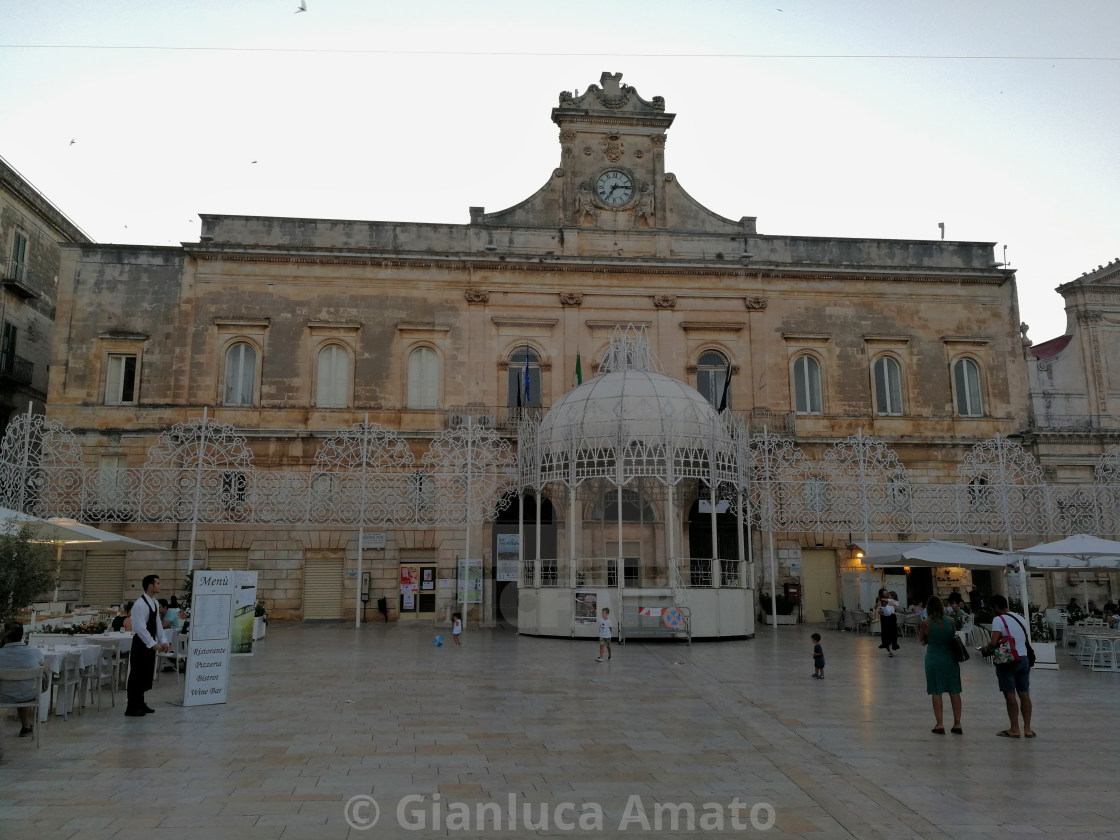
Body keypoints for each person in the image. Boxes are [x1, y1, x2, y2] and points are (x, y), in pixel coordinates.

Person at [982, 593, 1035, 738]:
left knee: (1010, 694)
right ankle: (1028, 729)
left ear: (996, 607)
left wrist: (986, 648)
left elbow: (994, 642)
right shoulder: (1020, 618)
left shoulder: (998, 619)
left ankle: (1014, 728)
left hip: (1008, 660)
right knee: (1024, 693)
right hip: (1023, 658)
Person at [125, 574, 170, 717]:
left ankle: (140, 702)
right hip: (141, 644)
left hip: (150, 644)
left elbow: (157, 624)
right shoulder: (139, 604)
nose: (160, 586)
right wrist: (152, 643)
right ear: (150, 586)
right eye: (158, 583)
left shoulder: (155, 603)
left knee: (146, 673)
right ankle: (132, 706)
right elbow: (139, 628)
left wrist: (163, 640)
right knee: (137, 673)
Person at [920, 595, 962, 735]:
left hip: (934, 659)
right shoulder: (951, 621)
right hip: (950, 658)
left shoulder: (926, 623)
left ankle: (939, 724)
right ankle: (957, 723)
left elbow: (922, 640)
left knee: (936, 691)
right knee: (954, 691)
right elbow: (953, 636)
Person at [0, 622, 49, 739]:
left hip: (3, 696)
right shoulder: (34, 652)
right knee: (27, 682)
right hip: (29, 695)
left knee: (16, 684)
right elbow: (42, 665)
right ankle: (26, 726)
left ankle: (26, 725)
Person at [875, 588, 900, 656]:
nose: (886, 593)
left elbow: (897, 608)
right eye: (884, 593)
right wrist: (878, 605)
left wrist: (893, 605)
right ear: (881, 594)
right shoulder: (879, 599)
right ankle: (889, 650)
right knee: (886, 633)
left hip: (892, 617)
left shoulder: (891, 598)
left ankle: (893, 645)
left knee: (893, 632)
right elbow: (876, 607)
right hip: (884, 617)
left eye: (886, 592)